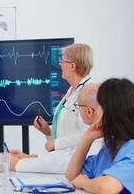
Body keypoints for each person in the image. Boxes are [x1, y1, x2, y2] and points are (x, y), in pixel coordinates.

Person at [10, 43, 97, 173]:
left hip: (75, 162)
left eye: (62, 61)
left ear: (72, 66)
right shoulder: (72, 90)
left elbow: (88, 134)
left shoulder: (88, 93)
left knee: (13, 165)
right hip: (62, 158)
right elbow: (67, 133)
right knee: (17, 161)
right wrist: (47, 131)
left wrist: (56, 144)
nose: (60, 65)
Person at [65, 78, 134, 194]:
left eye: (98, 106)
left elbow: (107, 188)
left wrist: (83, 183)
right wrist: (87, 139)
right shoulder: (110, 148)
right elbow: (72, 175)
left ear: (110, 111)